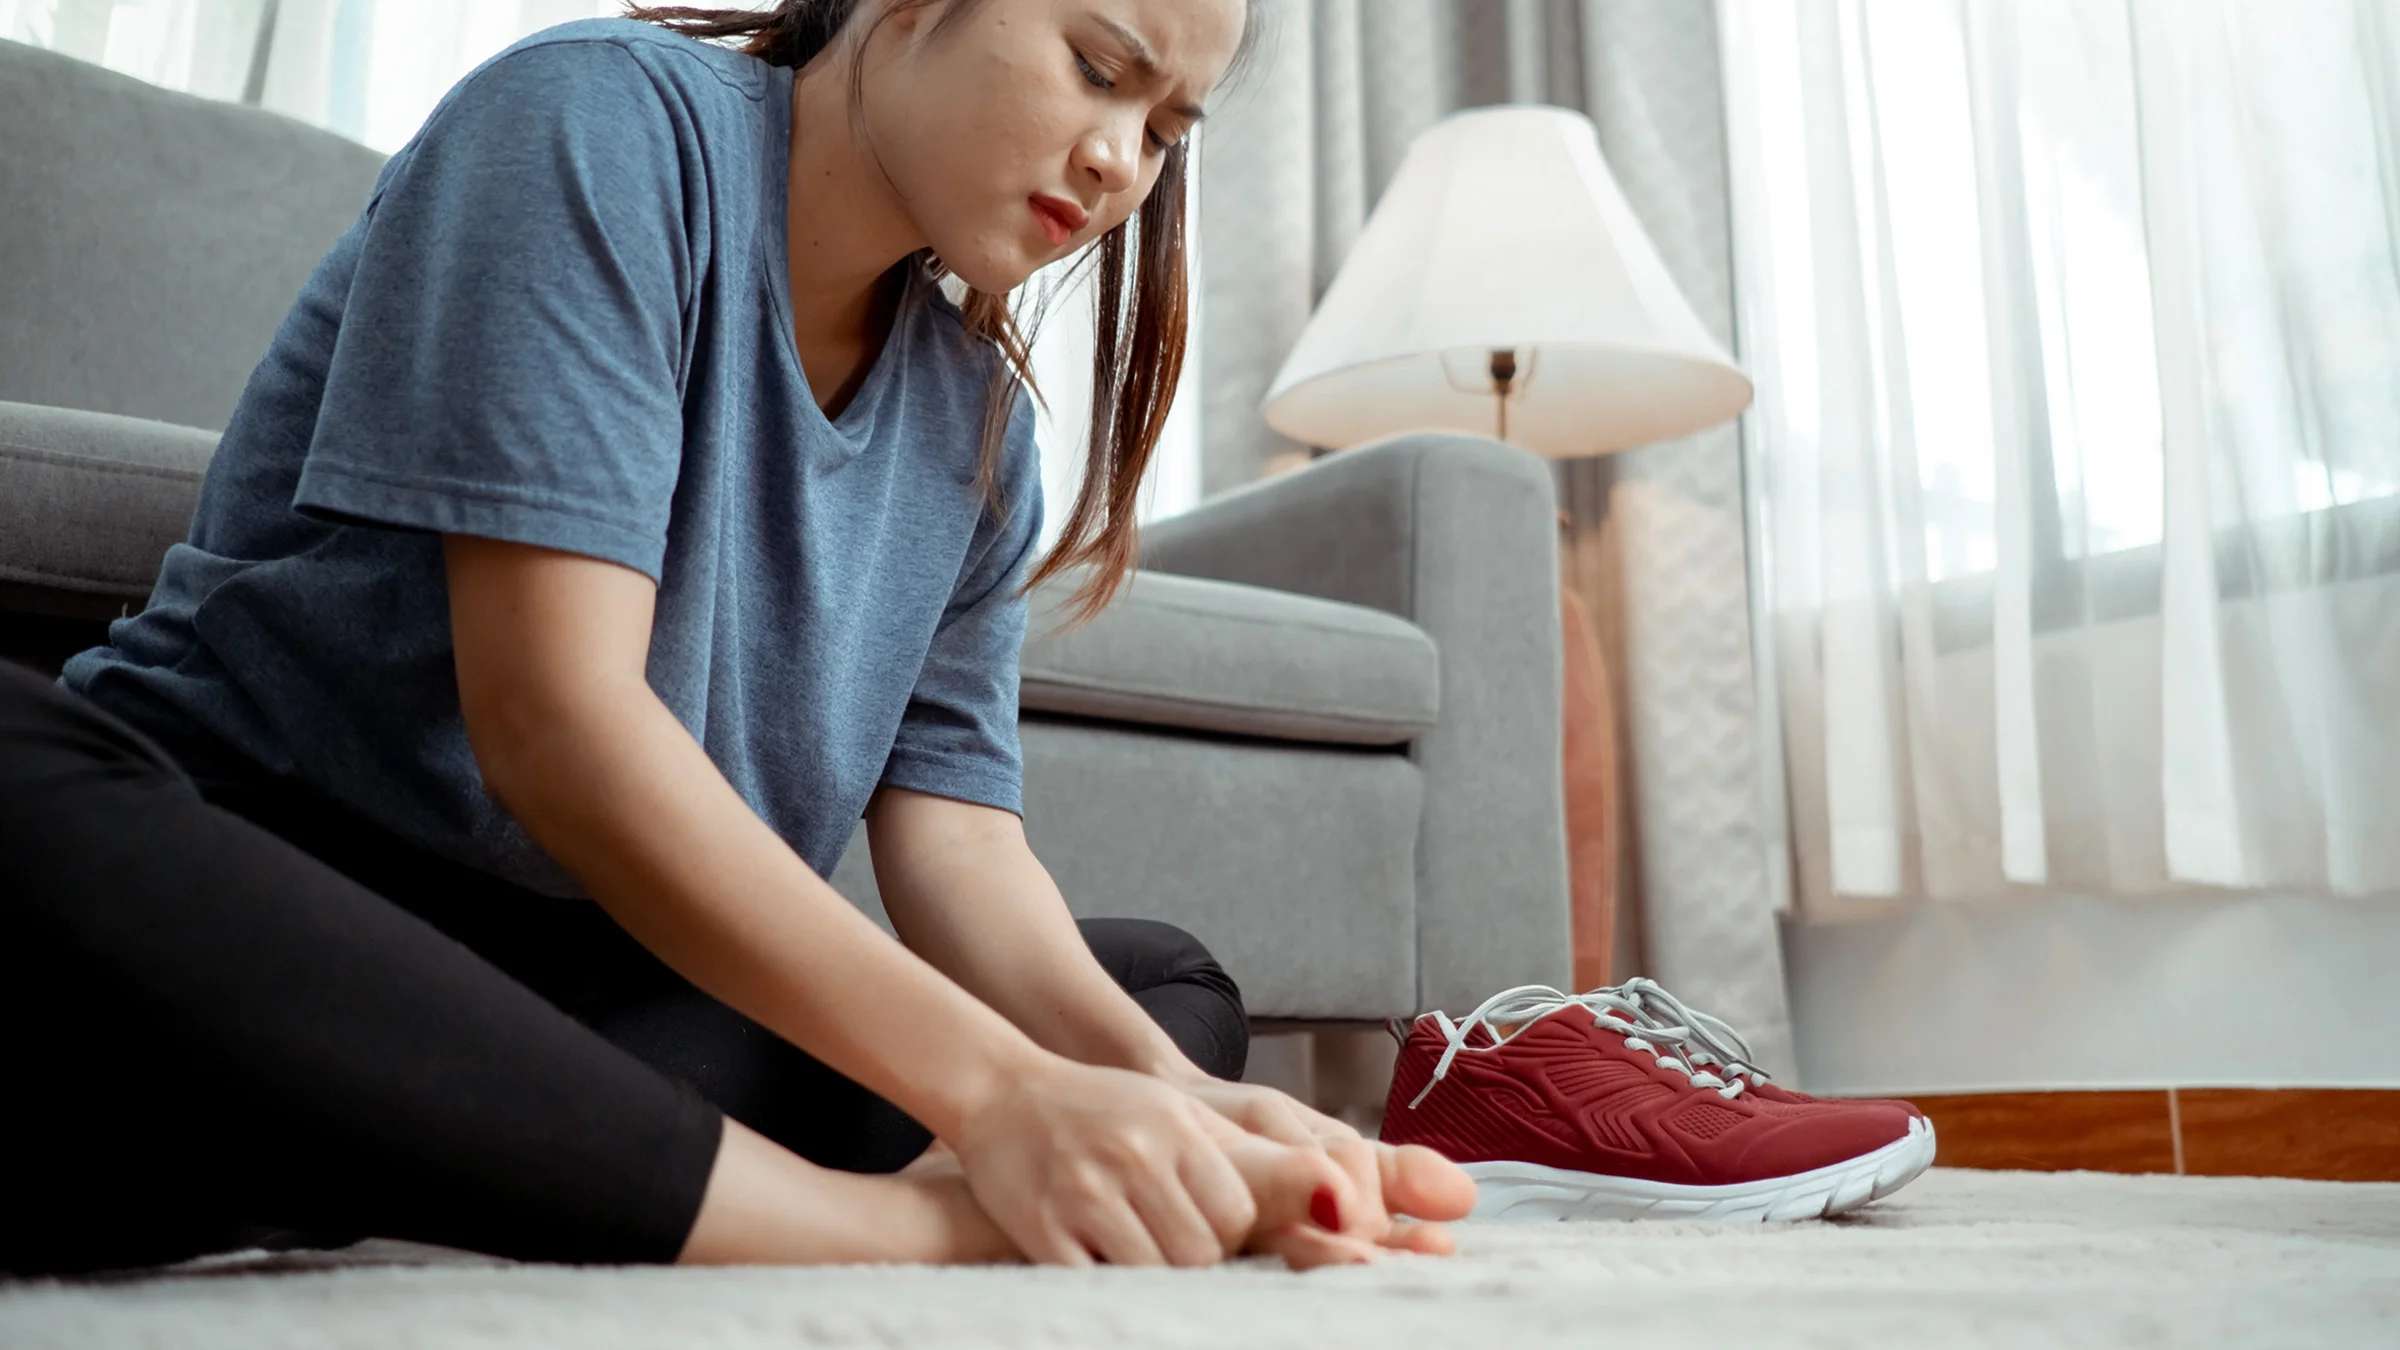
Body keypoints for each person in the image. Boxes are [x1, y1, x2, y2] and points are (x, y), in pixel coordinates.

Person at [0, 0, 1475, 1276]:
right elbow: (554, 727)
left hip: (580, 990)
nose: (1118, 162)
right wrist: (1003, 1103)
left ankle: (472, 1148)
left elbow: (959, 850)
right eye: (1099, 67)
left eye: (1166, 128)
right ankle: (898, 1226)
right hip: (247, 890)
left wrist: (1160, 1095)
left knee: (1165, 993)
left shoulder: (977, 428)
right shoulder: (591, 124)